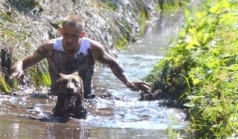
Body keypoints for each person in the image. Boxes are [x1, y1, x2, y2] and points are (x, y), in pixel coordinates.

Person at [8, 15, 151, 98]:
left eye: (74, 36)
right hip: (55, 96)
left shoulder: (92, 48)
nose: (69, 40)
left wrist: (127, 82)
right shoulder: (50, 48)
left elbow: (113, 64)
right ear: (61, 31)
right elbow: (22, 62)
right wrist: (18, 69)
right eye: (66, 35)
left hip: (86, 98)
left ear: (82, 35)